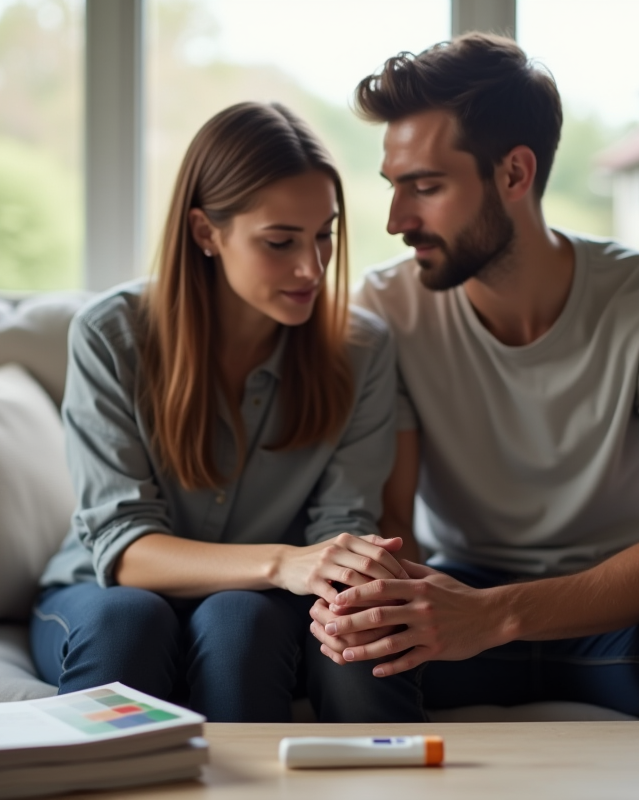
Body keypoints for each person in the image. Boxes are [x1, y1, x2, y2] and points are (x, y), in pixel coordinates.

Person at [308, 35, 639, 779]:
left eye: (426, 186)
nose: (396, 218)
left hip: (628, 604)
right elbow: (392, 519)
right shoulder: (387, 306)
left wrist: (496, 614)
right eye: (393, 184)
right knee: (351, 640)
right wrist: (401, 598)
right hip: (461, 579)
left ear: (514, 173)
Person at [32, 101, 416, 723]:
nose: (311, 267)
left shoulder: (360, 350)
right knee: (132, 617)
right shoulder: (111, 335)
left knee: (242, 619)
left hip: (260, 601)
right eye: (280, 241)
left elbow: (344, 523)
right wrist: (281, 561)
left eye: (325, 234)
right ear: (206, 232)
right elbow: (124, 549)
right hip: (105, 592)